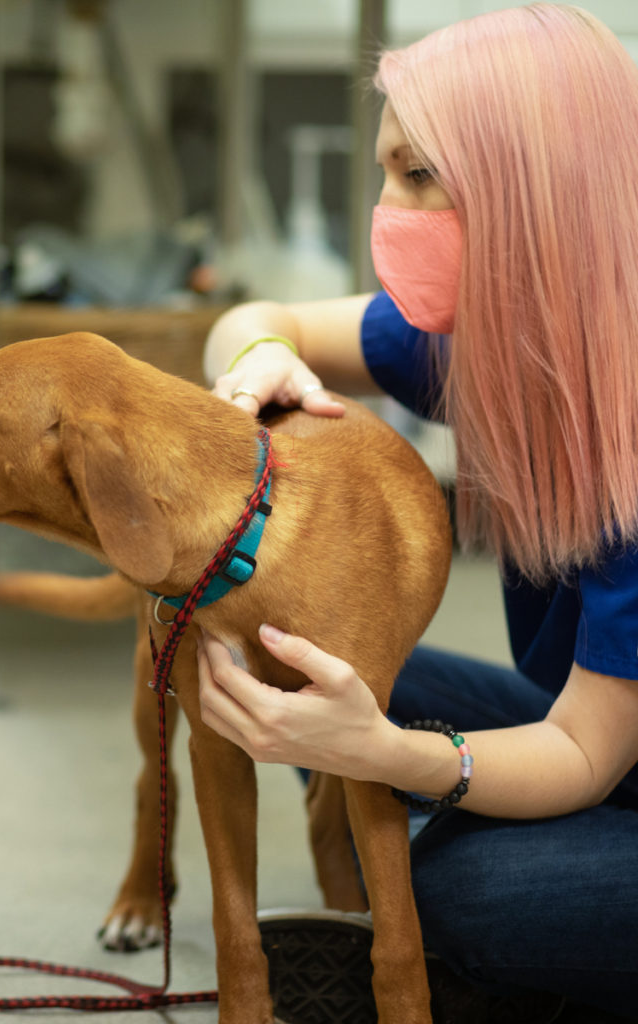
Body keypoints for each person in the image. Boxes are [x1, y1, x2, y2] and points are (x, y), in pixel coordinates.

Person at [197, 4, 638, 1023]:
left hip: (601, 746)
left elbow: (583, 751)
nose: (385, 208)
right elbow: (267, 319)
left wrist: (387, 756)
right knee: (311, 661)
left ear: (534, 194)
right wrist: (255, 359)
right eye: (386, 171)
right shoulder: (491, 330)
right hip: (602, 727)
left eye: (420, 176)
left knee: (464, 893)